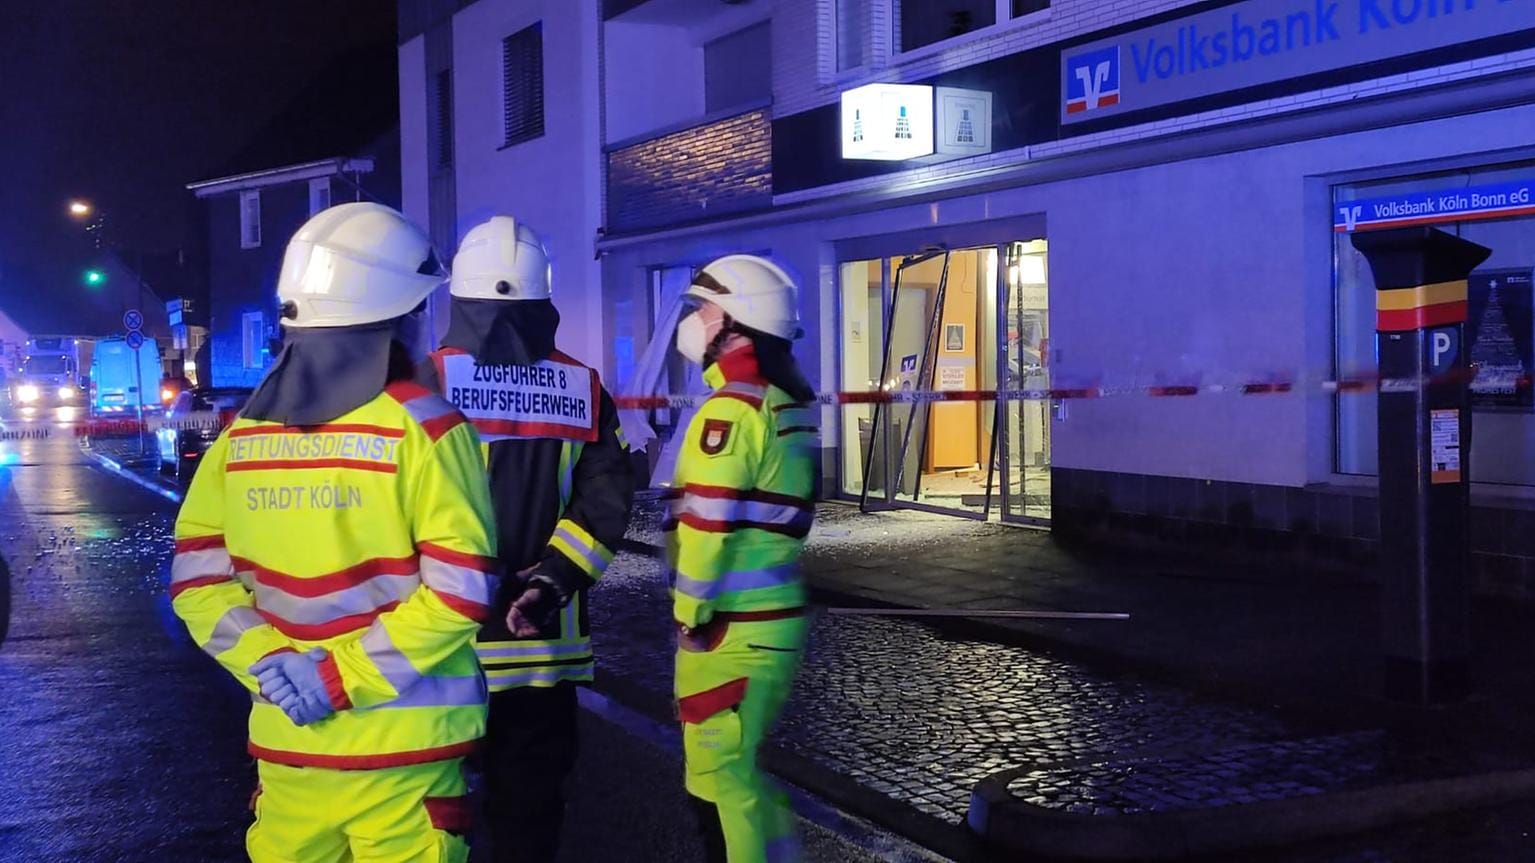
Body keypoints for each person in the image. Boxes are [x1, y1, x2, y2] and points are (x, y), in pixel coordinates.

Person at [169, 202, 498, 863]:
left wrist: (273, 666)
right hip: (406, 755)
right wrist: (336, 676)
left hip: (290, 745)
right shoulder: (427, 428)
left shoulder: (244, 435)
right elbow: (461, 593)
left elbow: (197, 580)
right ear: (395, 315)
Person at [416, 216, 635, 862]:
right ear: (544, 300)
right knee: (531, 817)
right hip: (541, 651)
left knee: (431, 813)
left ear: (459, 298)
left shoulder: (424, 386)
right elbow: (604, 504)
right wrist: (549, 581)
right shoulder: (582, 387)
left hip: (441, 651)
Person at [667, 254, 819, 863]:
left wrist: (690, 615)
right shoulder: (786, 405)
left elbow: (706, 526)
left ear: (735, 324)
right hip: (767, 622)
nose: (696, 321)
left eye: (705, 310)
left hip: (729, 631)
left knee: (722, 789)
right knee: (742, 780)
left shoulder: (733, 409)